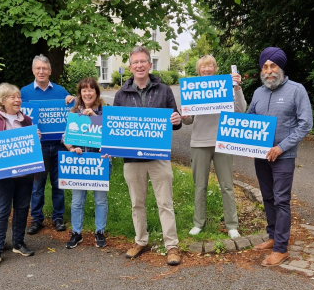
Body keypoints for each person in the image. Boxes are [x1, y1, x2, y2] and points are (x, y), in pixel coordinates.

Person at [113, 46, 182, 266]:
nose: (140, 65)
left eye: (144, 62)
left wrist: (177, 121)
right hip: (132, 160)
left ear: (150, 65)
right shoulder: (120, 94)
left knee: (165, 203)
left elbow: (175, 119)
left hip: (158, 158)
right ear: (130, 66)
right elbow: (116, 129)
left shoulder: (164, 90)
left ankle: (171, 246)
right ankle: (140, 241)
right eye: (136, 62)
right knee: (137, 203)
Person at [248, 47, 313, 267]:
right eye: (265, 67)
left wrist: (281, 147)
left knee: (281, 200)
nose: (268, 71)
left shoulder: (297, 90)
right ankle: (273, 236)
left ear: (281, 68)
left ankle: (281, 248)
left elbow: (305, 124)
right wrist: (247, 146)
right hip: (261, 156)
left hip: (283, 156)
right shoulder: (258, 93)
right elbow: (249, 120)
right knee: (267, 196)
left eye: (273, 66)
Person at [182, 55, 247, 239]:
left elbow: (241, 109)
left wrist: (237, 88)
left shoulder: (226, 86)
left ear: (215, 68)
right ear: (199, 70)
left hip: (222, 142)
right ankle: (198, 223)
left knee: (227, 185)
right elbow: (188, 121)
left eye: (210, 65)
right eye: (204, 67)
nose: (207, 69)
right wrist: (185, 115)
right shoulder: (193, 90)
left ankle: (232, 225)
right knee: (199, 186)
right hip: (199, 143)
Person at [0, 83, 38, 270]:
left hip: (24, 174)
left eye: (19, 97)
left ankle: (18, 243)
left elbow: (32, 148)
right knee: (0, 212)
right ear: (2, 100)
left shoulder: (27, 120)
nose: (18, 100)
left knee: (22, 208)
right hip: (2, 177)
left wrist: (35, 139)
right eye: (13, 97)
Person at [21, 54, 75, 234]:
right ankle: (37, 219)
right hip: (38, 147)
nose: (41, 71)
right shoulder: (23, 93)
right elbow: (18, 119)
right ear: (33, 71)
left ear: (50, 71)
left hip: (60, 145)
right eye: (38, 68)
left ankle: (58, 217)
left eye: (45, 68)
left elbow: (74, 113)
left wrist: (73, 100)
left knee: (59, 184)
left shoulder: (61, 92)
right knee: (37, 186)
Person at [62, 78, 110, 249]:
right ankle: (76, 233)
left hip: (100, 162)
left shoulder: (105, 111)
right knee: (76, 201)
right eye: (84, 90)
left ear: (96, 92)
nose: (87, 93)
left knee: (100, 200)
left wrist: (96, 118)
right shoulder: (74, 112)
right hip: (79, 163)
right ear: (80, 93)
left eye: (91, 90)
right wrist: (71, 149)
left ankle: (100, 232)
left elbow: (111, 137)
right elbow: (66, 138)